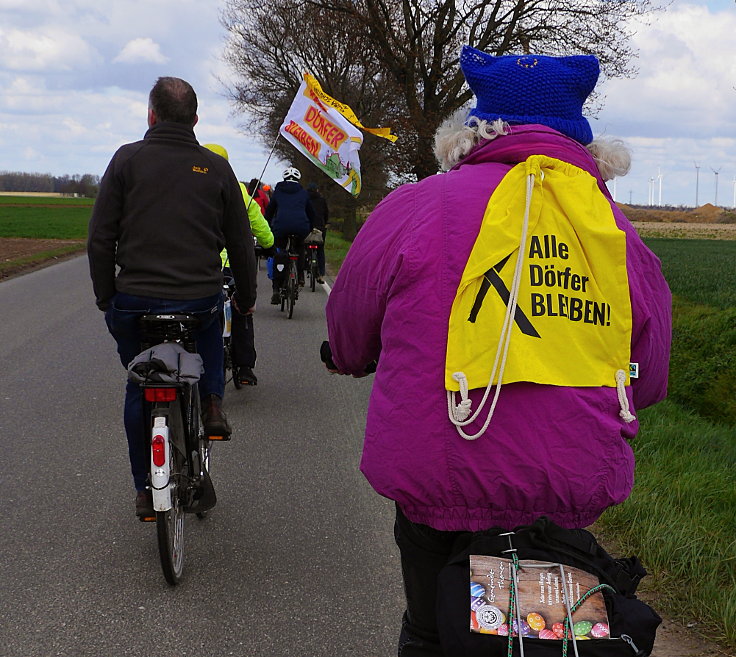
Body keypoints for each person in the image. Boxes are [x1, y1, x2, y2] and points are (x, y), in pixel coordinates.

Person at [324, 47, 672, 655]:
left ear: (477, 129)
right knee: (544, 640)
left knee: (429, 630)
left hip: (435, 480)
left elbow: (351, 330)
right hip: (564, 482)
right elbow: (648, 375)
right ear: (581, 141)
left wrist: (351, 357)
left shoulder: (414, 206)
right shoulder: (612, 231)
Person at [88, 77, 257, 520]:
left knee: (138, 380)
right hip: (196, 298)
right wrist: (246, 297)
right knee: (209, 332)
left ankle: (145, 490)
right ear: (196, 120)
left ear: (151, 114)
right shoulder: (216, 169)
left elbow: (101, 237)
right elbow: (241, 242)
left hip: (134, 302)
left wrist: (107, 297)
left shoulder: (126, 160)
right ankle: (212, 403)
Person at [203, 144, 274, 386]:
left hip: (201, 264)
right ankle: (244, 368)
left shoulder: (189, 187)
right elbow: (262, 231)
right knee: (241, 308)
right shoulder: (240, 192)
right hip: (231, 265)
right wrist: (269, 243)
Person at [264, 166, 315, 303]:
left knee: (279, 251)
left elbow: (270, 211)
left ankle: (276, 288)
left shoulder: (278, 192)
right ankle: (301, 277)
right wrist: (312, 227)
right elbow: (311, 213)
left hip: (281, 227)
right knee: (300, 249)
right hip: (301, 227)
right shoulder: (304, 193)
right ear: (298, 179)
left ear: (284, 179)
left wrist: (267, 225)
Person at [306, 182, 329, 284]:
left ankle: (305, 266)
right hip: (320, 228)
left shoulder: (305, 200)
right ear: (317, 190)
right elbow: (326, 213)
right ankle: (321, 274)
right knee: (320, 250)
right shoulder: (322, 200)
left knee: (304, 247)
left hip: (308, 227)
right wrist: (325, 223)